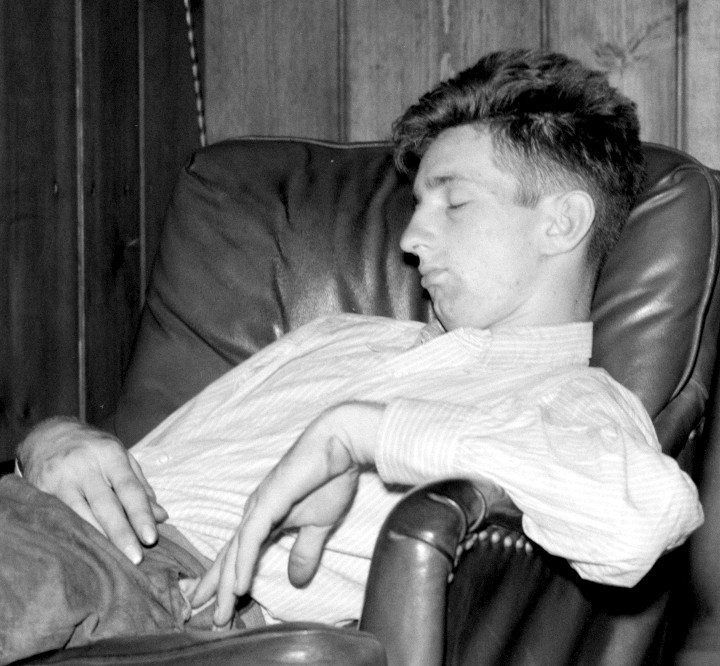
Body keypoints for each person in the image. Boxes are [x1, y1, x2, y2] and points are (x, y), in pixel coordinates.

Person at [7, 48, 703, 653]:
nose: (411, 238)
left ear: (562, 222)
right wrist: (48, 441)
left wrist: (363, 433)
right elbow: (146, 464)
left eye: (454, 203)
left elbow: (639, 522)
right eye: (417, 205)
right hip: (44, 523)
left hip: (158, 587)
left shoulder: (571, 396)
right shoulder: (336, 337)